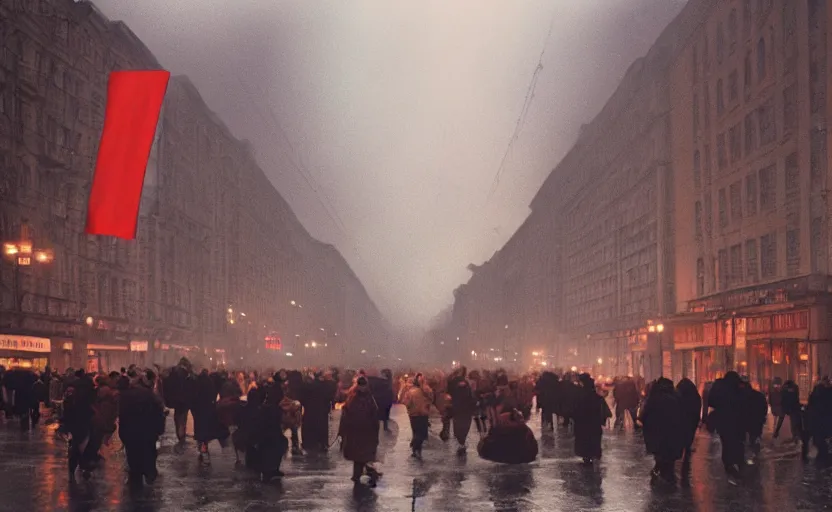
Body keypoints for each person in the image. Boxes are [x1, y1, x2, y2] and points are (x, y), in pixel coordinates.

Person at [118, 374, 165, 487]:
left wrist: (123, 432)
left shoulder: (125, 395)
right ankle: (149, 473)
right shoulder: (150, 395)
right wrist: (159, 429)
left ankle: (135, 476)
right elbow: (159, 411)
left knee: (133, 453)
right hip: (147, 430)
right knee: (149, 452)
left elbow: (122, 414)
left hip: (130, 431)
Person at [338, 376, 381, 487]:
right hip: (363, 431)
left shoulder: (353, 398)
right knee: (364, 456)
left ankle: (358, 475)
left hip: (358, 432)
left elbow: (345, 415)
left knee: (361, 456)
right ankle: (368, 475)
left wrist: (342, 431)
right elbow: (374, 416)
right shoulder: (368, 399)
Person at [640, 378, 685, 484]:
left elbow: (645, 413)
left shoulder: (654, 397)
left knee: (660, 453)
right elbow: (682, 414)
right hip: (672, 431)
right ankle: (668, 476)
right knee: (669, 455)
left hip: (656, 431)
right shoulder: (676, 397)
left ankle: (660, 472)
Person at [572, 373, 611, 465]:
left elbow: (575, 408)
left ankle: (586, 457)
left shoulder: (579, 394)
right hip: (594, 423)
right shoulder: (595, 395)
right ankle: (594, 455)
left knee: (584, 439)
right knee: (594, 439)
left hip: (582, 423)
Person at [401, 373, 433, 459]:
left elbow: (405, 402)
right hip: (422, 415)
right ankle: (416, 449)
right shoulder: (426, 391)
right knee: (421, 434)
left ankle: (415, 449)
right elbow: (431, 398)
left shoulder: (411, 392)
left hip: (414, 415)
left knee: (417, 433)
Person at [675, 377, 702, 475]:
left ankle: (682, 449)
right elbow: (698, 407)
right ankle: (687, 448)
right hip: (692, 420)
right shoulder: (695, 396)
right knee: (689, 435)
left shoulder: (678, 396)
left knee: (682, 434)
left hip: (682, 420)